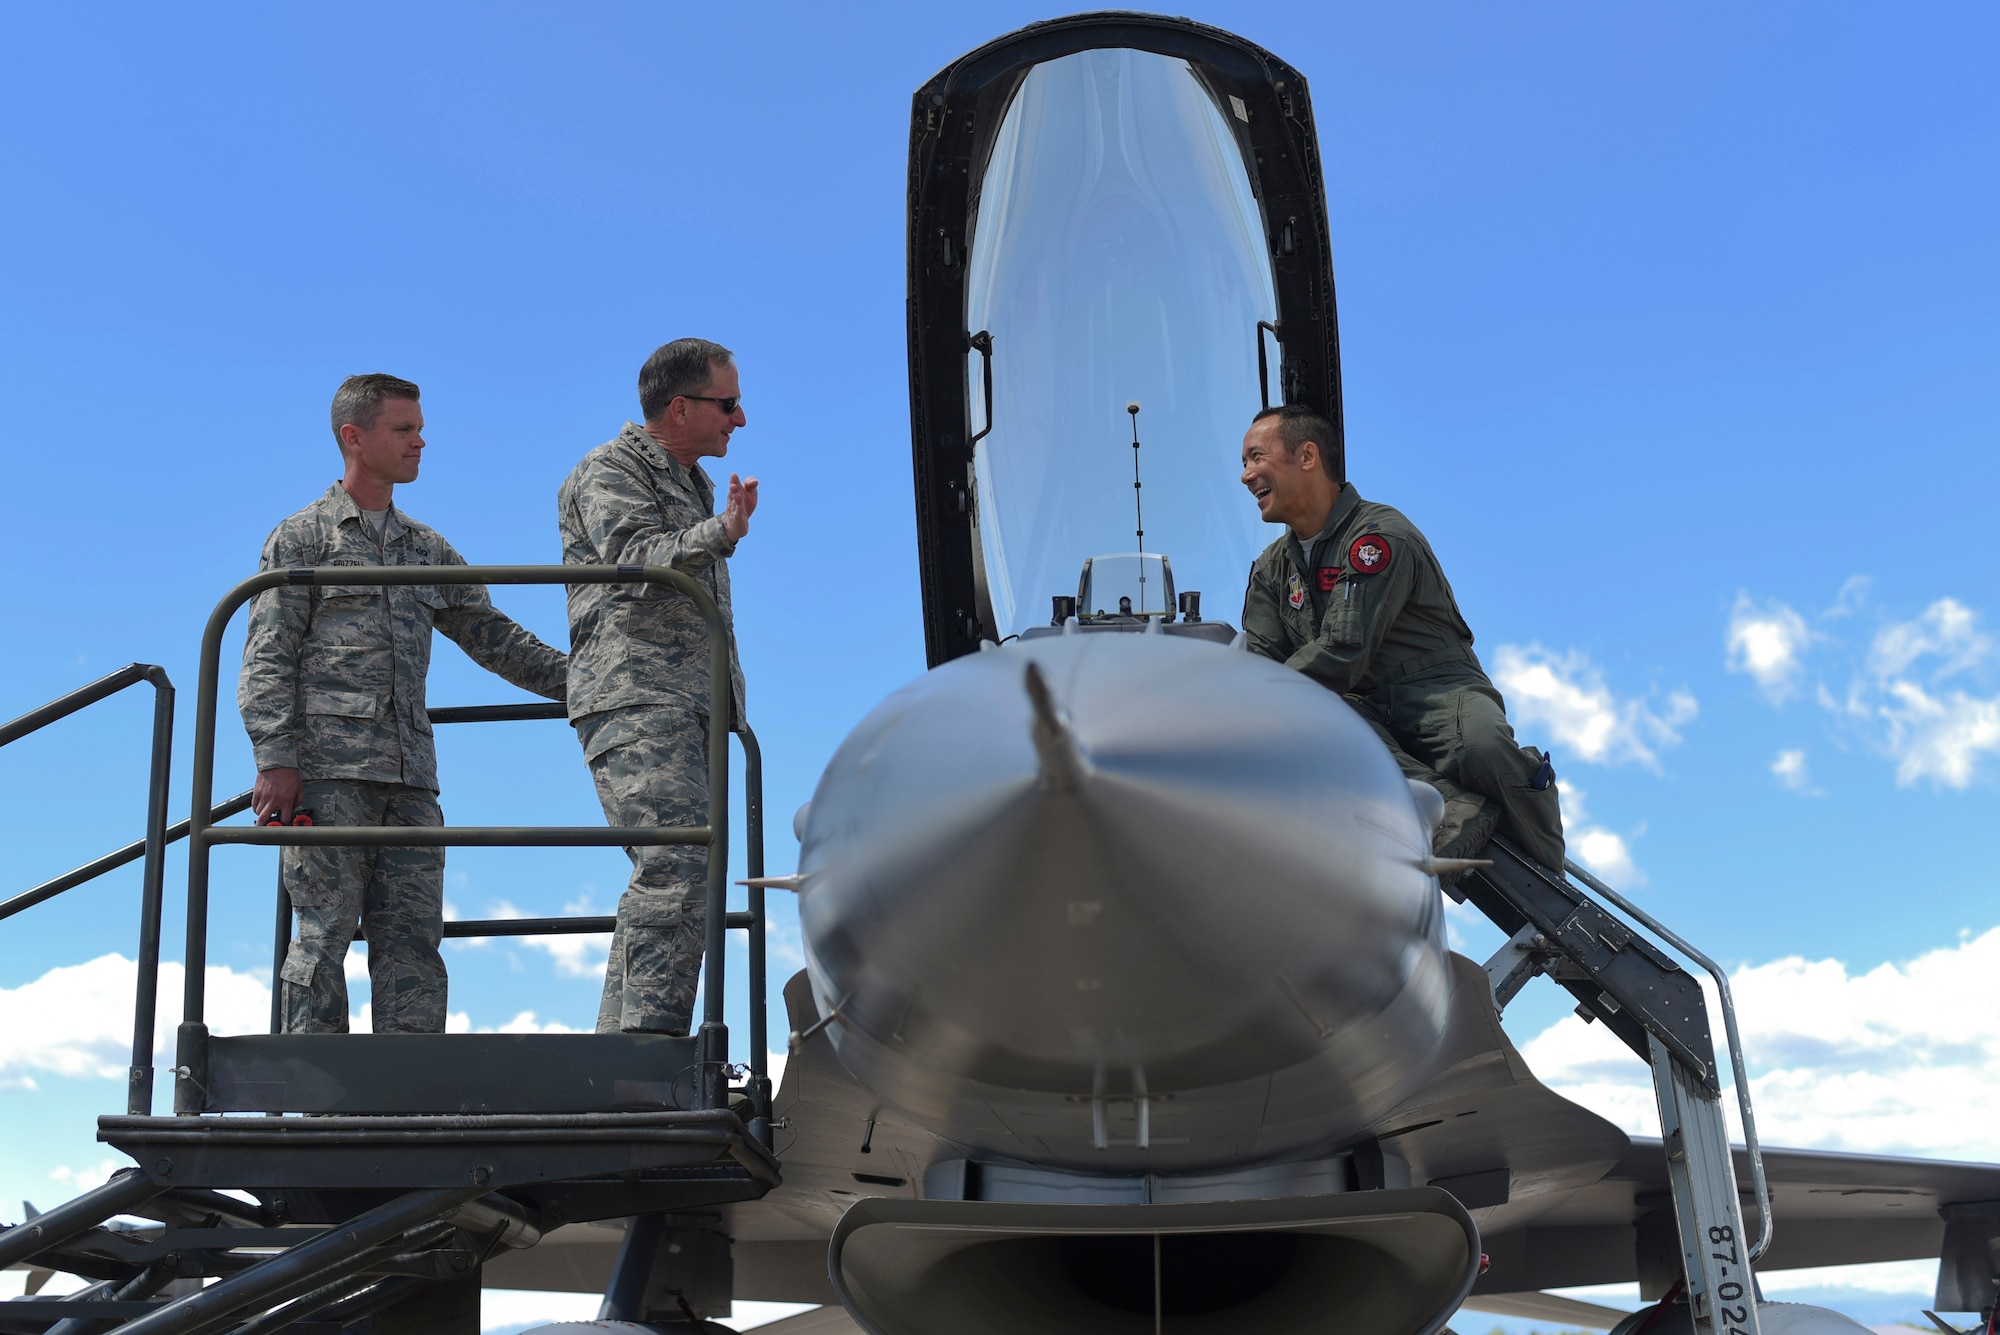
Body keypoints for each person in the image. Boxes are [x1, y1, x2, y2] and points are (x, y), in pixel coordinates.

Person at [239, 374, 569, 1033]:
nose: (421, 440)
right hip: (327, 776)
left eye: (419, 427)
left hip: (411, 781)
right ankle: (315, 1099)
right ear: (354, 438)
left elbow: (491, 634)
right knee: (323, 935)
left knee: (414, 941)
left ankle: (406, 1100)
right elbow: (267, 654)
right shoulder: (303, 540)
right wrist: (276, 758)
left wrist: (588, 681)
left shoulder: (425, 549)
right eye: (405, 429)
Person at [1238, 403, 1565, 872]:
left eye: (1256, 457)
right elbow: (1260, 665)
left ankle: (1552, 883)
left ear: (1307, 456)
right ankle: (1451, 804)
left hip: (1437, 689)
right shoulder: (1272, 570)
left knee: (1481, 747)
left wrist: (1252, 697)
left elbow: (1341, 650)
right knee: (1312, 720)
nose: (1247, 476)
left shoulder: (1378, 536)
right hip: (1354, 702)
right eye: (1244, 464)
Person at [558, 338, 757, 1036]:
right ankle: (645, 1052)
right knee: (675, 862)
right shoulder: (610, 469)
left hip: (690, 705)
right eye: (727, 404)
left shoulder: (689, 479)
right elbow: (631, 561)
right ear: (681, 407)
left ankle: (623, 1050)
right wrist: (722, 531)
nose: (739, 418)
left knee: (680, 869)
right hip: (638, 698)